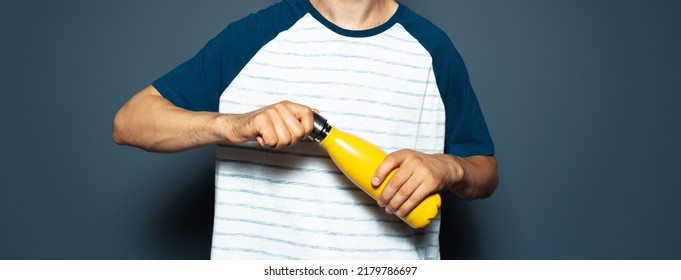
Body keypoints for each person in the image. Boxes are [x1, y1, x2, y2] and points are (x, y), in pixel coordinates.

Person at [113, 0, 498, 260]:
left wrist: (449, 168)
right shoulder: (255, 37)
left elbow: (484, 171)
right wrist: (233, 124)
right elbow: (130, 122)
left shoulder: (433, 49)